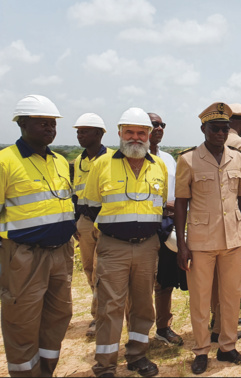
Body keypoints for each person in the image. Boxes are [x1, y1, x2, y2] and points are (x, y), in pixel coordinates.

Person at [81, 107, 167, 377]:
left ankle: (137, 355)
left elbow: (162, 206)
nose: (135, 137)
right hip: (113, 247)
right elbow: (92, 206)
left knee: (143, 305)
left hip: (147, 247)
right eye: (129, 131)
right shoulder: (102, 164)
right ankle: (105, 364)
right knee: (110, 307)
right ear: (119, 133)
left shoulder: (159, 166)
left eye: (141, 132)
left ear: (149, 135)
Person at [1, 95, 77, 377]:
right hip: (24, 256)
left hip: (60, 254)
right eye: (41, 123)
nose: (49, 128)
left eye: (52, 124)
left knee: (58, 317)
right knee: (21, 321)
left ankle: (46, 371)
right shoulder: (5, 161)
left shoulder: (58, 160)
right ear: (22, 124)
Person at [174, 102, 241, 374]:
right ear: (203, 129)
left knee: (231, 297)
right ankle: (201, 350)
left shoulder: (238, 157)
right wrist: (182, 245)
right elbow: (181, 203)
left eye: (224, 128)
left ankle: (228, 347)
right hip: (200, 242)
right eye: (215, 128)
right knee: (200, 299)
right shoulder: (188, 160)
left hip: (233, 238)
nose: (220, 133)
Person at [210, 103, 241, 341]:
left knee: (214, 277)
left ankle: (217, 323)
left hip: (208, 219)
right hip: (234, 217)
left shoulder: (203, 145)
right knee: (230, 280)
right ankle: (226, 326)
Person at [146, 112, 186, 346]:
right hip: (142, 226)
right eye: (154, 124)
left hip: (167, 225)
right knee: (139, 285)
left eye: (162, 124)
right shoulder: (131, 159)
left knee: (164, 280)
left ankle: (163, 327)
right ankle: (137, 334)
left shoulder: (169, 159)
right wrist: (163, 205)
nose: (159, 128)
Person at [72, 112, 112, 338]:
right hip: (85, 222)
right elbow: (76, 193)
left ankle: (100, 317)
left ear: (99, 134)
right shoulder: (78, 161)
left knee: (101, 271)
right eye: (78, 132)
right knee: (88, 268)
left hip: (105, 222)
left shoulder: (113, 159)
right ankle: (100, 309)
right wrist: (76, 221)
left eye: (84, 131)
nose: (80, 136)